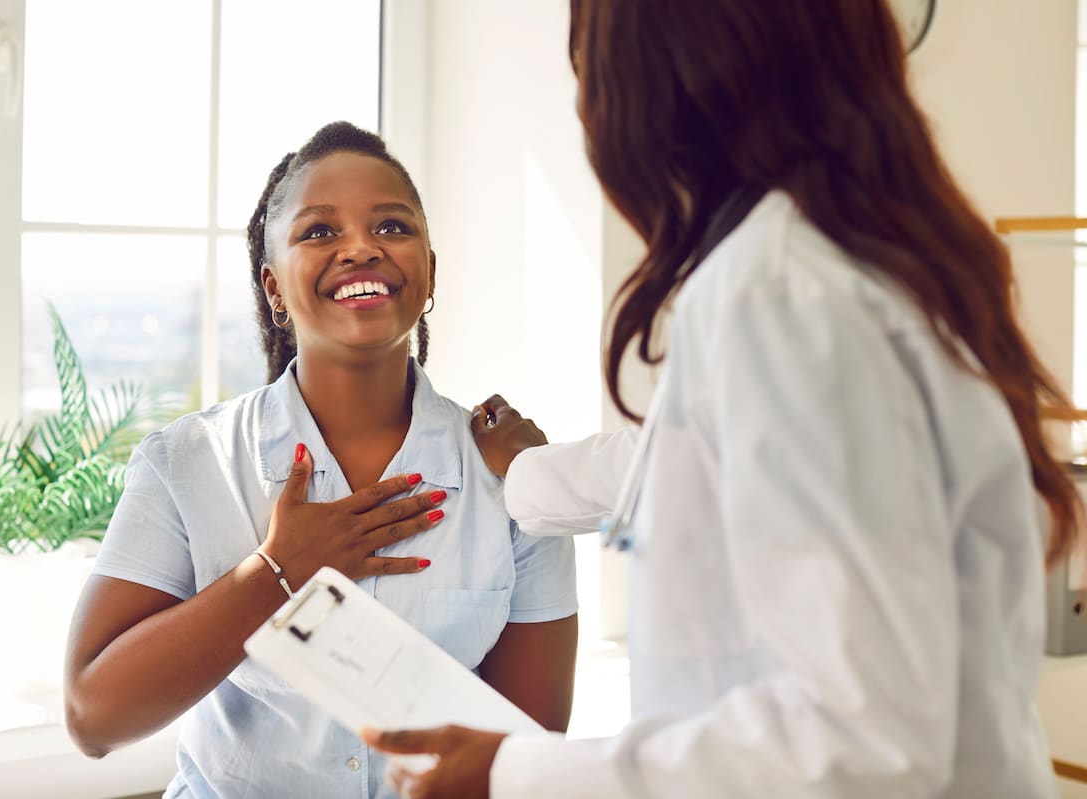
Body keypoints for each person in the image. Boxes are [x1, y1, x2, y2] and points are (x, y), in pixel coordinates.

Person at [363, 1, 1081, 797]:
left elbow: (864, 737)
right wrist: (530, 475)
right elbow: (712, 459)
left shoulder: (778, 293)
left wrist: (514, 770)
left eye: (589, 67)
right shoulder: (864, 262)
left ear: (662, 83)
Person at [63, 121, 579, 798]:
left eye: (392, 227)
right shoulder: (187, 461)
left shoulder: (513, 480)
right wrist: (278, 572)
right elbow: (93, 717)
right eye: (319, 232)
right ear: (274, 289)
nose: (362, 247)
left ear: (428, 270)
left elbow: (525, 756)